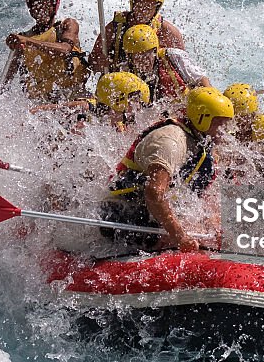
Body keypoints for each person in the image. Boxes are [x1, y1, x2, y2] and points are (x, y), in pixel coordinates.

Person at [100, 86, 234, 252]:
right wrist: (180, 236)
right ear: (202, 119)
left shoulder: (198, 140)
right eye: (220, 125)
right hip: (121, 213)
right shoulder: (172, 143)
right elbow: (154, 192)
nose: (225, 132)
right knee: (178, 237)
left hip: (146, 210)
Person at [2, 0, 89, 102]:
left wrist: (28, 42)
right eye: (36, 4)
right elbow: (5, 82)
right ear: (30, 8)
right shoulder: (23, 39)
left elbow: (65, 49)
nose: (41, 8)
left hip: (72, 96)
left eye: (46, 4)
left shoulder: (67, 25)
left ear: (55, 5)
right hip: (41, 104)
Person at [89, 0, 186, 74]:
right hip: (120, 81)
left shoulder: (167, 32)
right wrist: (100, 62)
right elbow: (92, 60)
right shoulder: (115, 27)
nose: (143, 11)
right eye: (140, 5)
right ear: (133, 2)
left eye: (149, 7)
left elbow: (183, 64)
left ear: (156, 8)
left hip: (153, 82)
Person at [120, 25, 209, 103]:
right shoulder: (126, 72)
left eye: (147, 54)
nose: (144, 60)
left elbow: (201, 80)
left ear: (155, 51)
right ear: (130, 57)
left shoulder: (174, 57)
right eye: (138, 56)